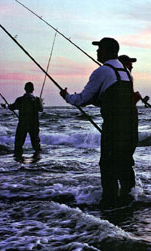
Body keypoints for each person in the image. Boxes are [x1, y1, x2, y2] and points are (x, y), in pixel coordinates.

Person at [60, 37, 140, 208]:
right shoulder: (127, 73)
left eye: (99, 48)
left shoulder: (102, 71)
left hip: (113, 129)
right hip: (129, 129)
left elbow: (82, 99)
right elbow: (116, 99)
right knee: (125, 166)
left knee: (108, 167)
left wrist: (66, 96)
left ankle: (110, 205)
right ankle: (130, 204)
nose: (97, 51)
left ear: (107, 51)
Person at [8, 82, 43, 156]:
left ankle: (18, 160)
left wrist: (8, 106)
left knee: (18, 145)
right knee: (36, 144)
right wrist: (41, 102)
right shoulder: (37, 99)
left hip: (22, 124)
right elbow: (41, 109)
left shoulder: (20, 100)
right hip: (34, 124)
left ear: (24, 89)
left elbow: (12, 107)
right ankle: (37, 162)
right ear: (33, 89)